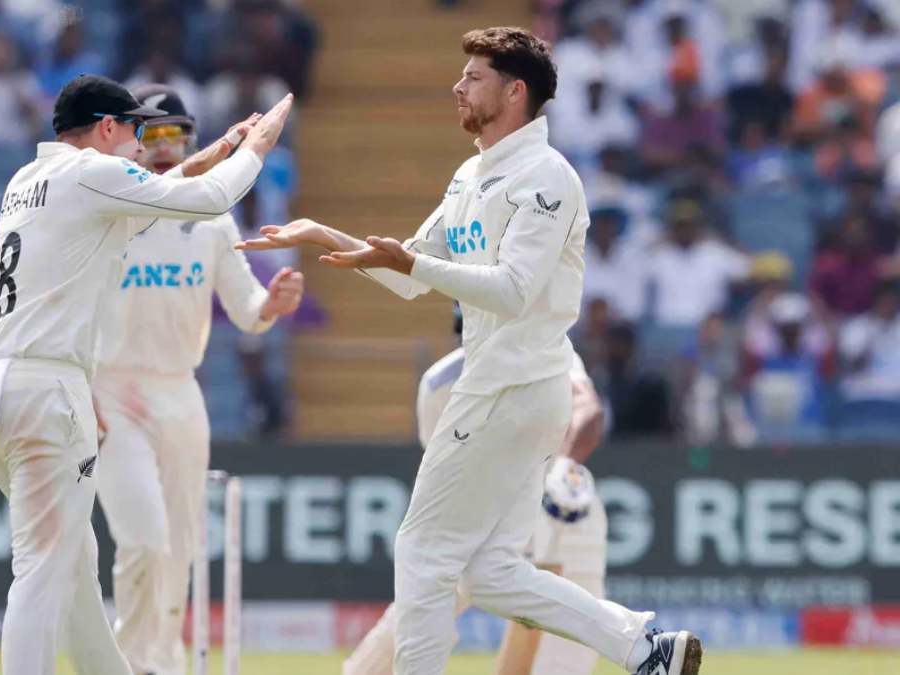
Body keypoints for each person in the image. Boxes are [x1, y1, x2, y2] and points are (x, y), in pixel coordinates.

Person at [238, 26, 701, 675]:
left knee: (423, 549)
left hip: (509, 389)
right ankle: (642, 645)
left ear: (514, 92)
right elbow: (407, 270)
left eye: (474, 78)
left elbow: (512, 290)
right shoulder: (470, 173)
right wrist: (321, 234)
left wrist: (413, 264)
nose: (457, 86)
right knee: (489, 571)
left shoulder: (547, 177)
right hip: (514, 393)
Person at [0, 74, 291, 675]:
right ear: (106, 128)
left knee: (76, 560)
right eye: (134, 131)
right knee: (42, 564)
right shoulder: (91, 174)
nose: (141, 146)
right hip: (47, 391)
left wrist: (216, 151)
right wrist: (257, 149)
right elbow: (209, 202)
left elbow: (153, 200)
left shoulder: (30, 179)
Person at [93, 83, 305, 675]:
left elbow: (247, 311)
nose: (163, 147)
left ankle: (163, 658)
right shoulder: (112, 213)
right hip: (112, 391)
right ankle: (132, 662)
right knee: (142, 541)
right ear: (131, 142)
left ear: (189, 138)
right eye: (150, 135)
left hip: (179, 393)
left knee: (180, 548)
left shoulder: (209, 221)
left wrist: (276, 303)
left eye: (174, 135)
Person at [343, 311, 610, 675]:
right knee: (411, 619)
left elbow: (589, 412)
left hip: (561, 513)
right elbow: (443, 476)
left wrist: (563, 466)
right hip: (478, 518)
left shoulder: (551, 355)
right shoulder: (438, 385)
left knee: (565, 659)